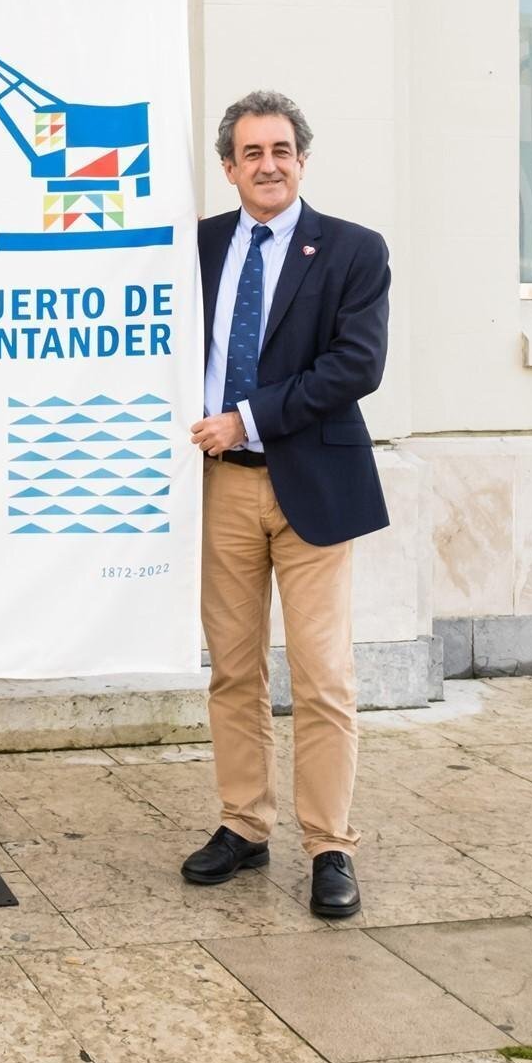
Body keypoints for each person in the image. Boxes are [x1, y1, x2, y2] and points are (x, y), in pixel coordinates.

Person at [183, 91, 391, 919]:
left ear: (301, 160)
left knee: (322, 674)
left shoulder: (353, 250)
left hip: (314, 485)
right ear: (228, 167)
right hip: (222, 488)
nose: (267, 165)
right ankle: (244, 824)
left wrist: (249, 416)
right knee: (233, 669)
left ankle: (330, 845)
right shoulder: (196, 248)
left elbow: (356, 365)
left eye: (281, 150)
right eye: (251, 153)